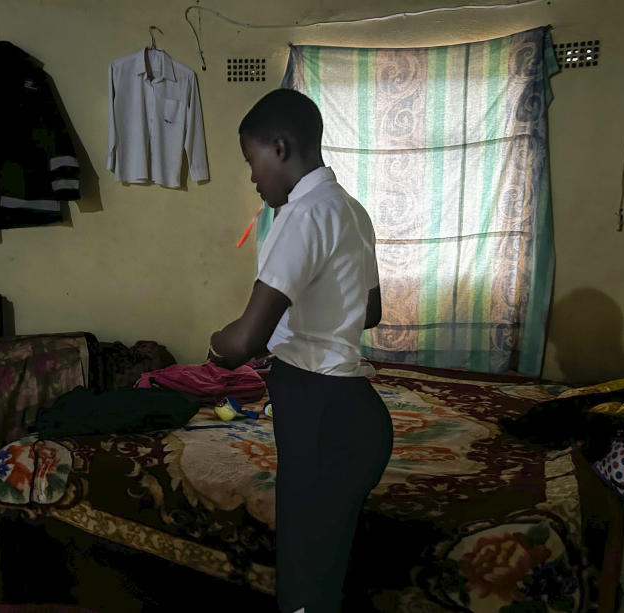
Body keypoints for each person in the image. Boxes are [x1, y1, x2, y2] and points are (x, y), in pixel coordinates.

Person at [207, 88, 393, 613]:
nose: (252, 176)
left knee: (304, 591)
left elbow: (245, 341)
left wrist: (215, 344)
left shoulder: (300, 213)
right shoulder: (351, 210)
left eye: (252, 160)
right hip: (354, 415)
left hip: (319, 418)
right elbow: (370, 313)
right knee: (324, 575)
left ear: (280, 148)